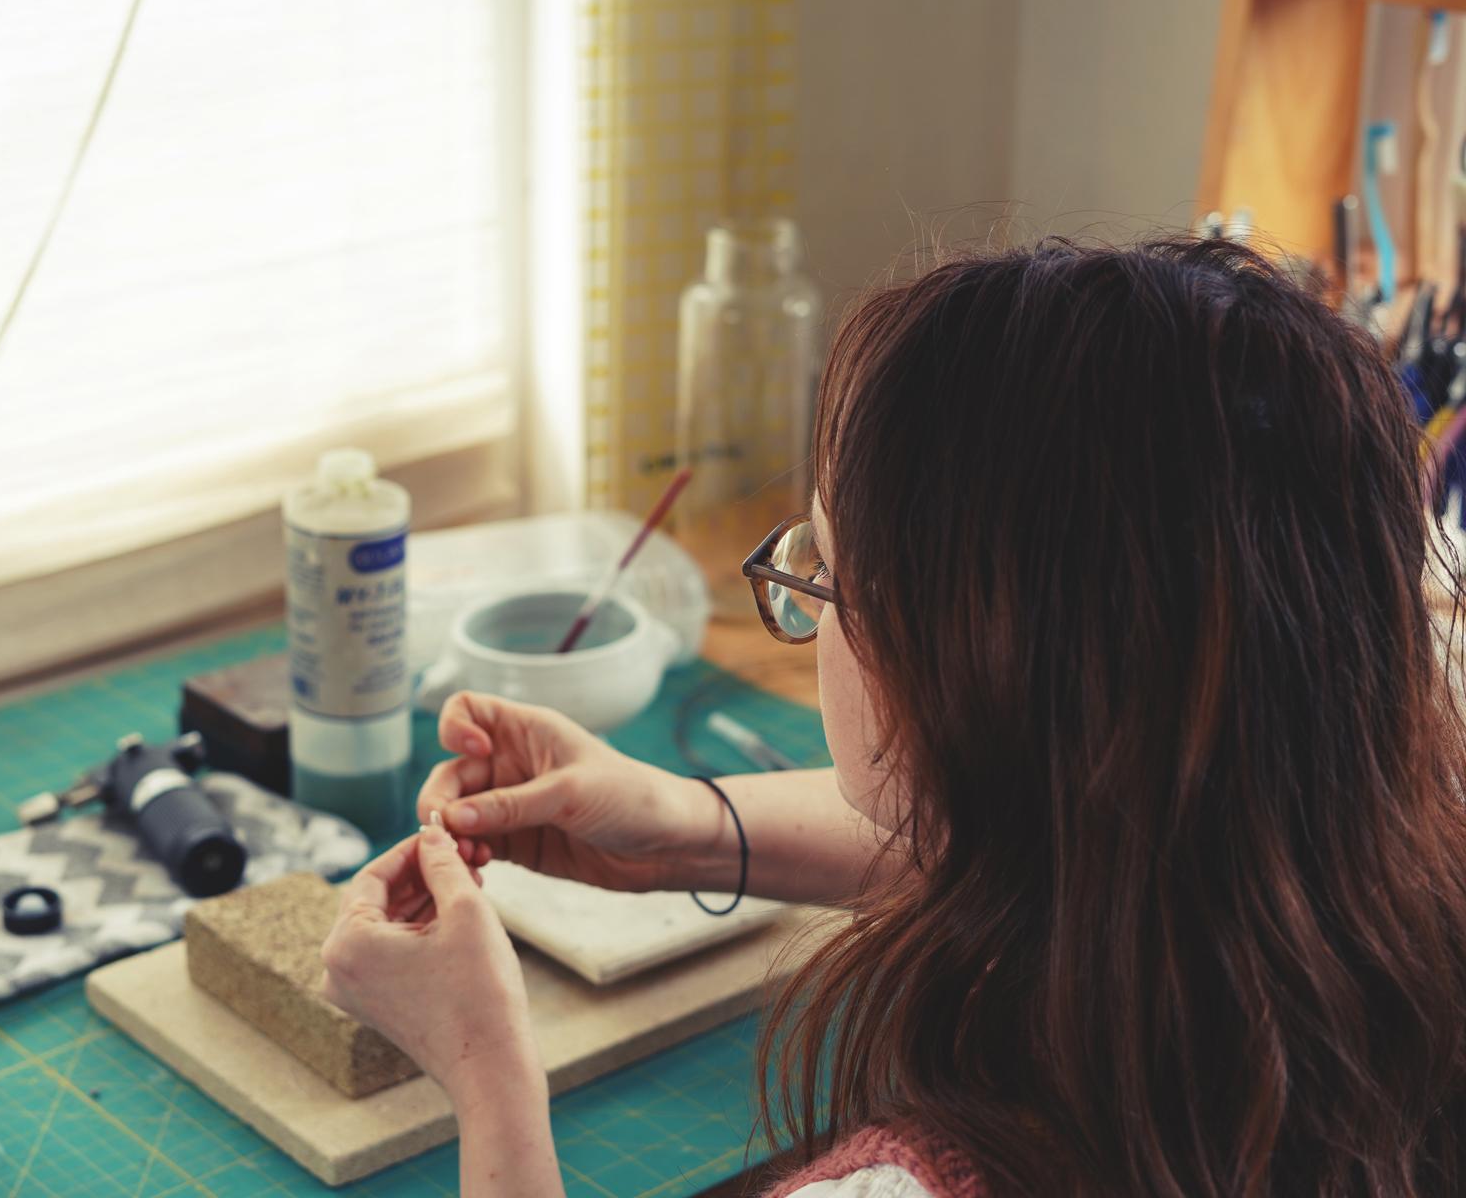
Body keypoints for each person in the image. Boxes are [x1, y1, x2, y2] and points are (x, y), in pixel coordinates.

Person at [319, 238, 1466, 1196]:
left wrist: (485, 1067)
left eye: (820, 569)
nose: (806, 601)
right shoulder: (1387, 898)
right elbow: (1063, 838)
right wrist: (685, 822)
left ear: (961, 671)